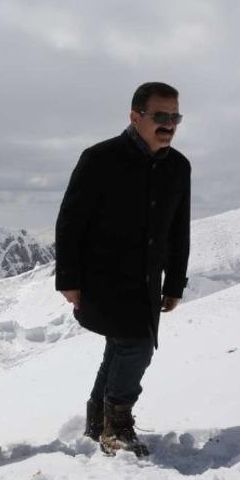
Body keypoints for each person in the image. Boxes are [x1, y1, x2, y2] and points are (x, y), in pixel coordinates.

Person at [54, 81, 191, 456]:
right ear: (135, 116)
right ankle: (116, 427)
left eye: (175, 117)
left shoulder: (178, 167)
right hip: (103, 278)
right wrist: (68, 279)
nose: (169, 125)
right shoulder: (100, 158)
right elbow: (70, 222)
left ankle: (98, 421)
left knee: (121, 345)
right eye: (160, 116)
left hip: (146, 282)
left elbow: (178, 230)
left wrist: (174, 283)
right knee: (137, 346)